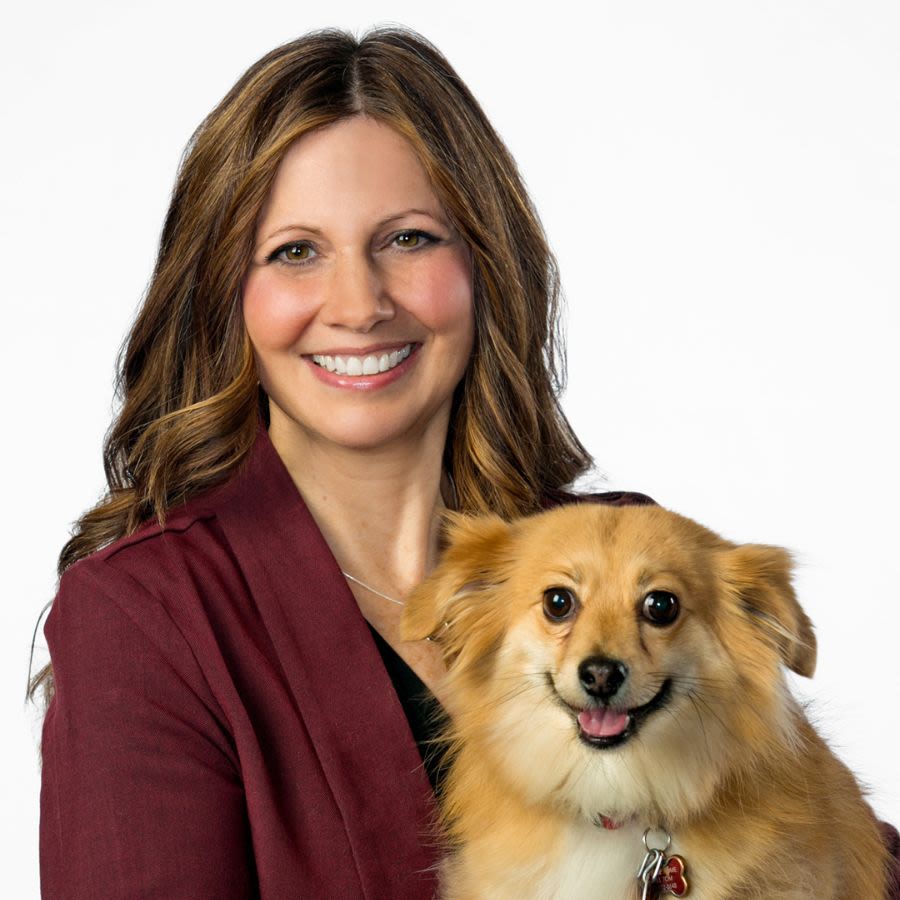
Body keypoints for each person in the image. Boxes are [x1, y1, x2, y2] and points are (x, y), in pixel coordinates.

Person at [33, 26, 900, 900]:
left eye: (408, 240)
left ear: (484, 263)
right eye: (295, 251)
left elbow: (830, 842)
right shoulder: (147, 617)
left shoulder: (627, 550)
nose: (359, 304)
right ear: (227, 294)